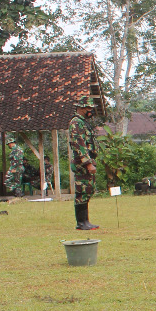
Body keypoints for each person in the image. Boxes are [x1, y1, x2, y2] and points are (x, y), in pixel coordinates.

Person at [69, 96, 100, 230]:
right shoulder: (76, 122)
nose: (91, 111)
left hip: (88, 161)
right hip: (81, 163)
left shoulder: (83, 122)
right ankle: (81, 222)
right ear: (81, 108)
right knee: (82, 191)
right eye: (89, 108)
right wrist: (87, 163)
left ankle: (86, 221)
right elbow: (79, 144)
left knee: (88, 190)